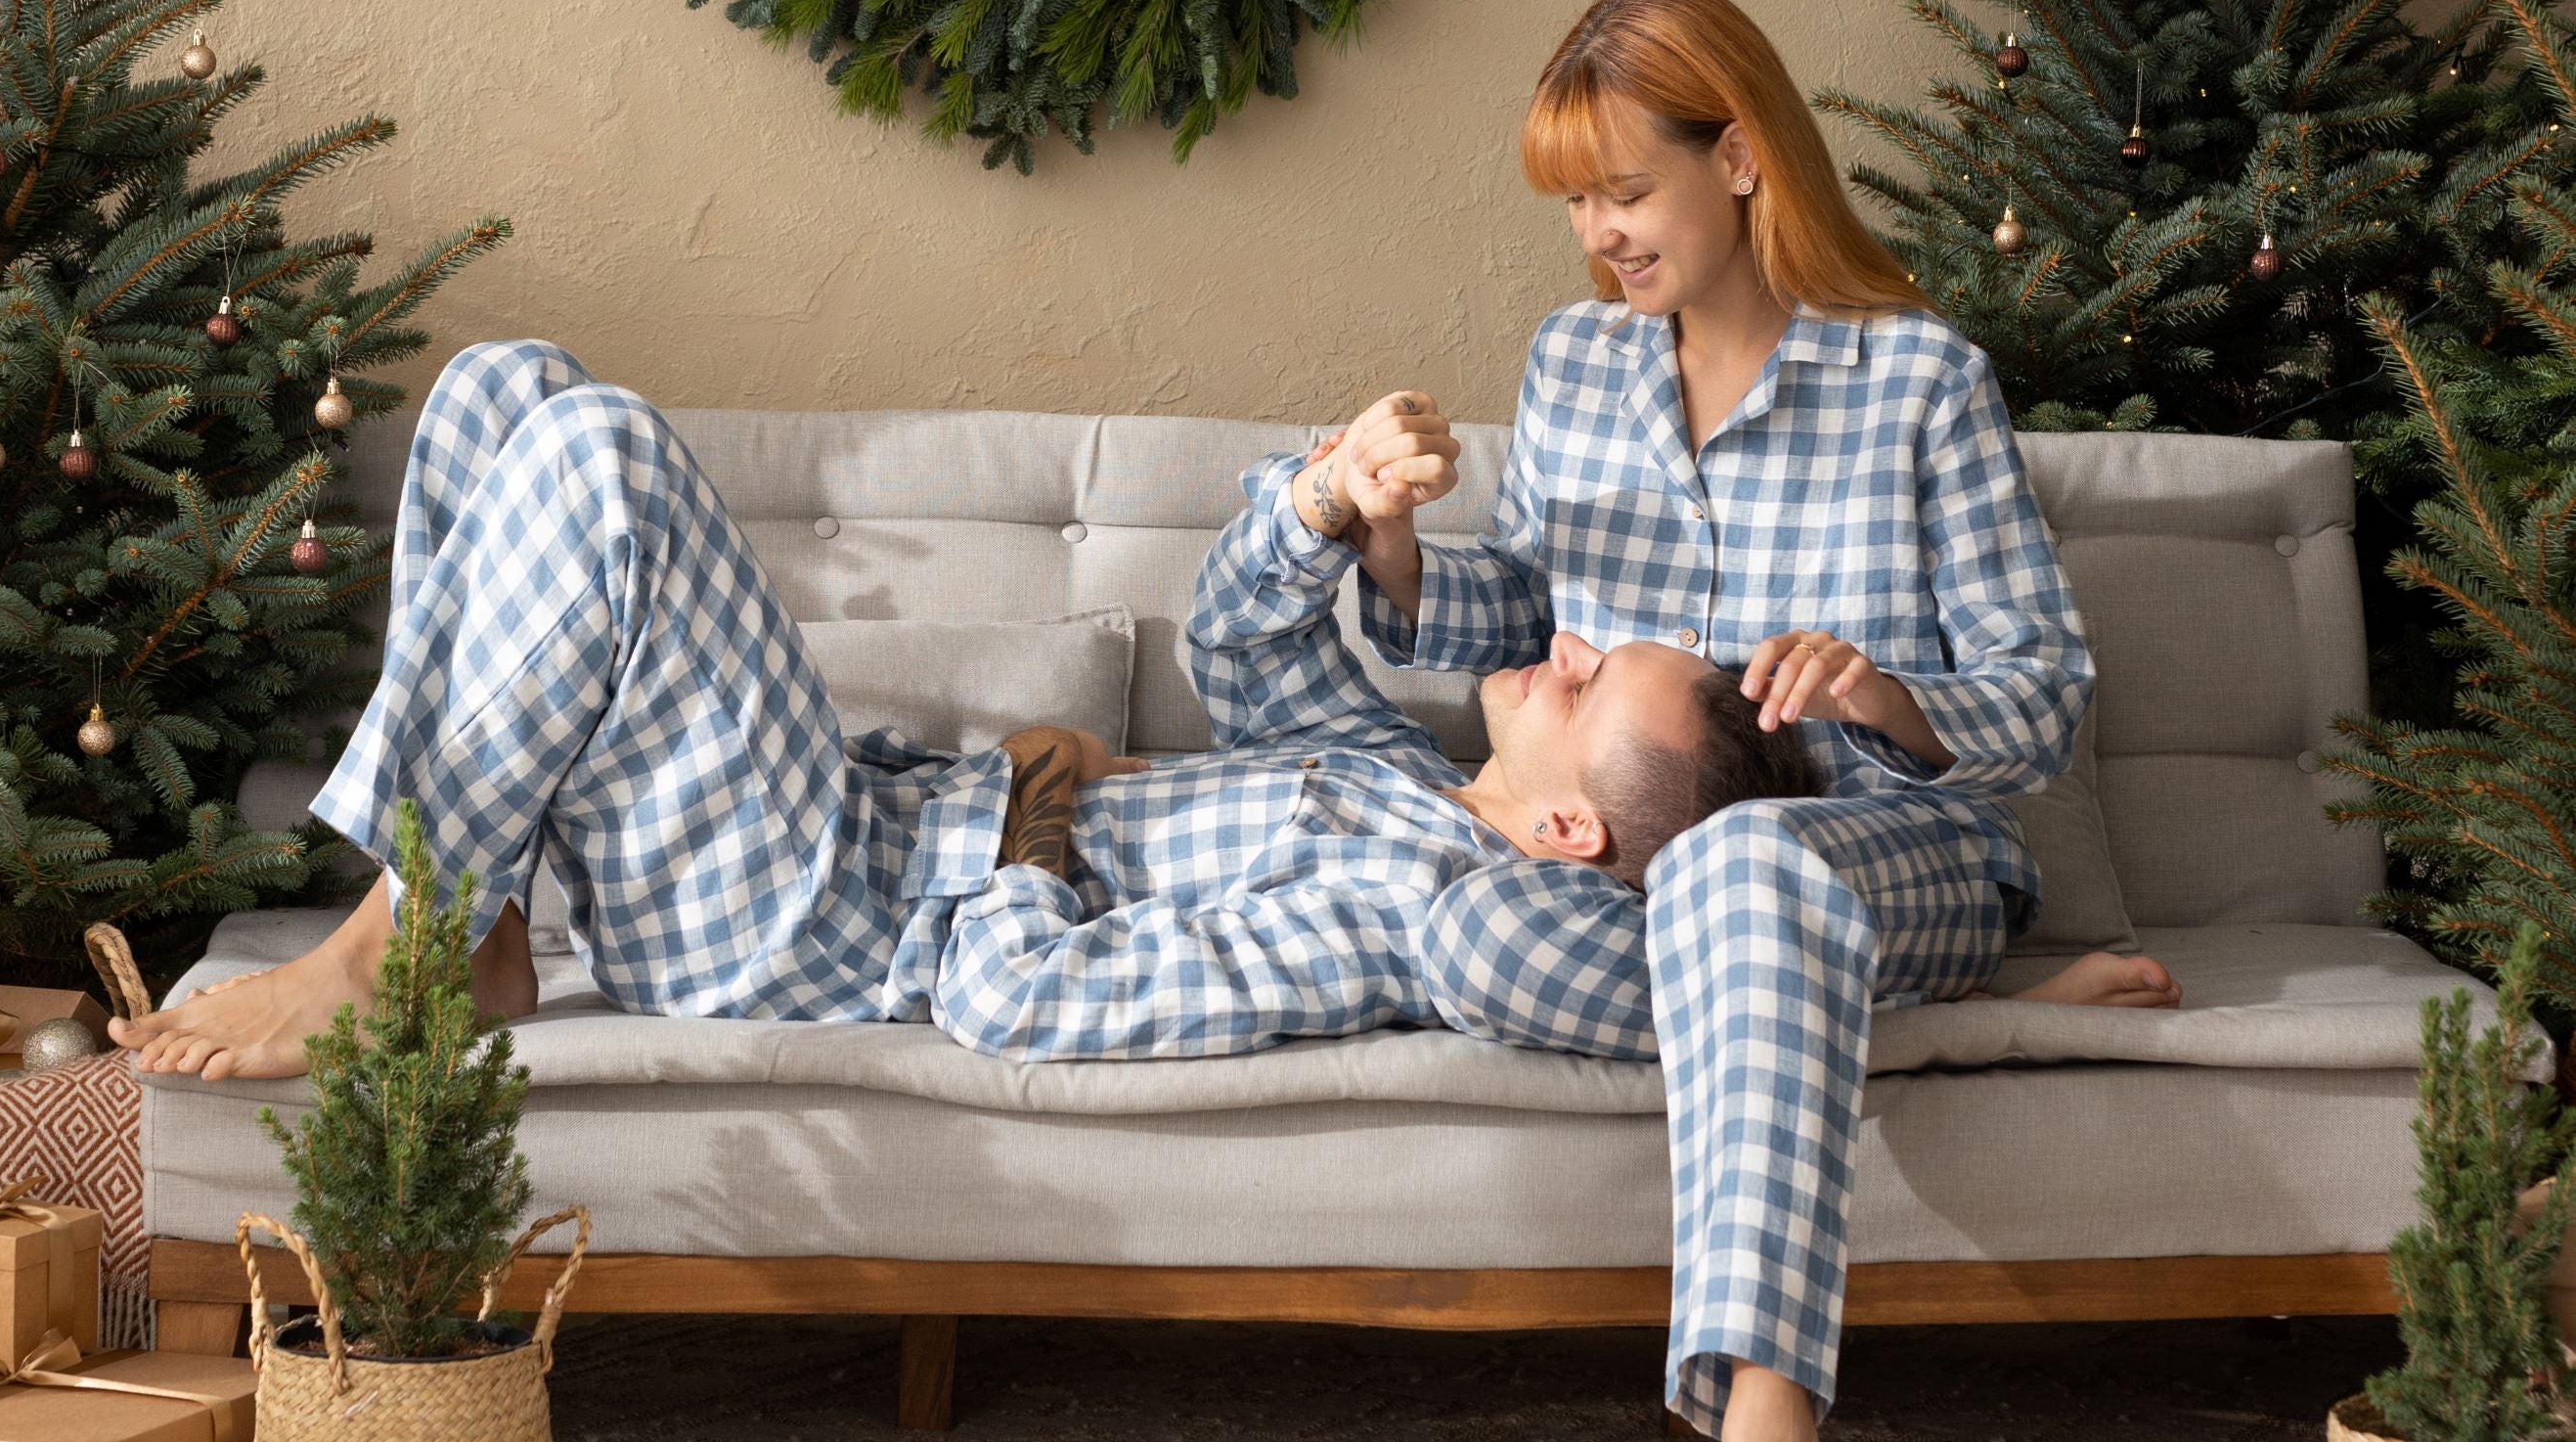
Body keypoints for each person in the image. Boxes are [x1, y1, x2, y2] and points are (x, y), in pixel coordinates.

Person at [1307, 0, 2178, 1442]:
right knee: (1475, 933)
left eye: (1624, 190)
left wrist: (1878, 695)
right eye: (1574, 199)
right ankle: (1958, 1034)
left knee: (1743, 864)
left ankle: (1763, 1441)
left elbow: (2040, 696)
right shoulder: (1576, 365)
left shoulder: (1916, 379)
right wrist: (1396, 552)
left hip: (1882, 836)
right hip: (1641, 872)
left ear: (1744, 158)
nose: (1594, 235)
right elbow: (1533, 607)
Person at [112, 337, 1820, 1104]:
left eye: (1602, 680)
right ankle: (475, 930)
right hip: (851, 821)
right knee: (505, 391)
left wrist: (1032, 821)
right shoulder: (1404, 779)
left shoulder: (1407, 913)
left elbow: (1025, 999)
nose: (1572, 639)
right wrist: (1322, 500)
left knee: (605, 452)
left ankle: (390, 944)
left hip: (833, 930)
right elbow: (1240, 640)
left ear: (1573, 832)